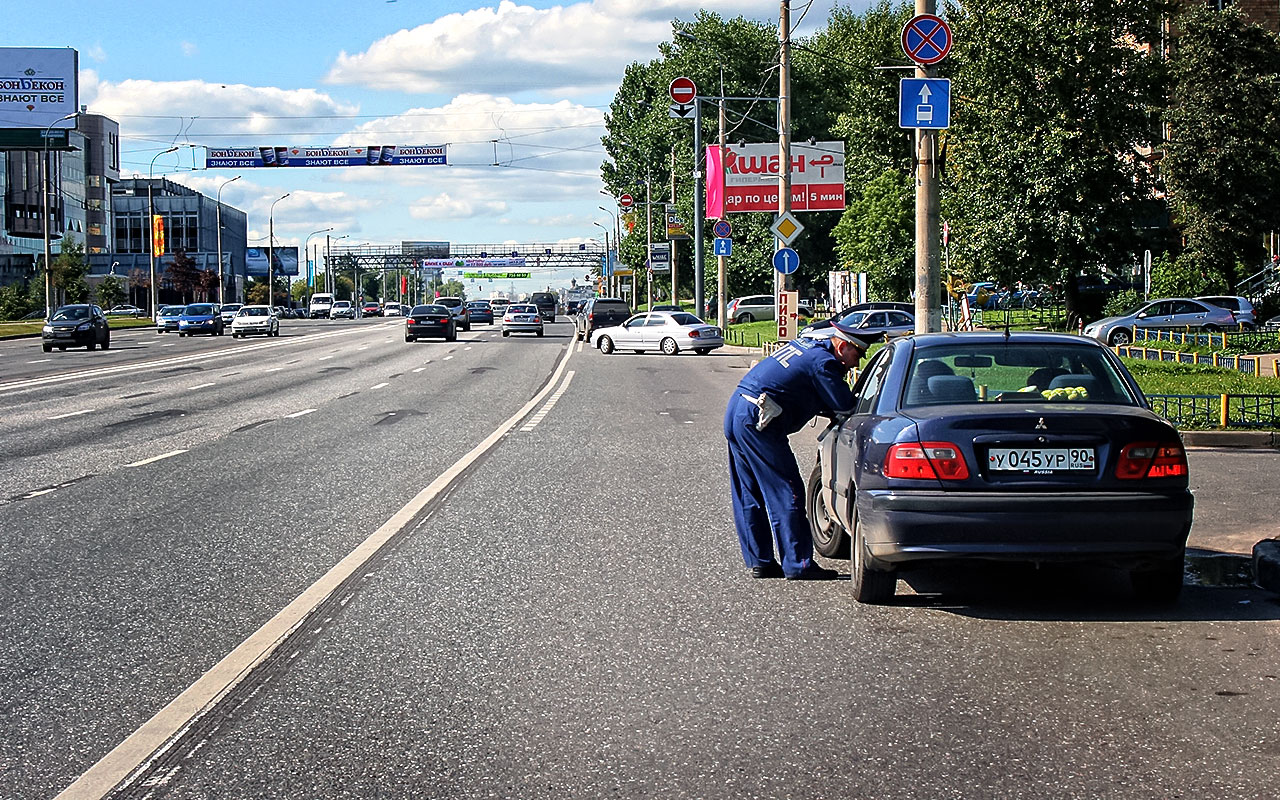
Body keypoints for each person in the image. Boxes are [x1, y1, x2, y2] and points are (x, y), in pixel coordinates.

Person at [724, 321, 878, 580]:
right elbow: (845, 405)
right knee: (788, 489)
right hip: (760, 420)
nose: (857, 363)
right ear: (842, 345)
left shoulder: (808, 346)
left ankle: (760, 560)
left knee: (748, 491)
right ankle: (798, 564)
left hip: (739, 410)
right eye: (858, 354)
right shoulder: (824, 363)